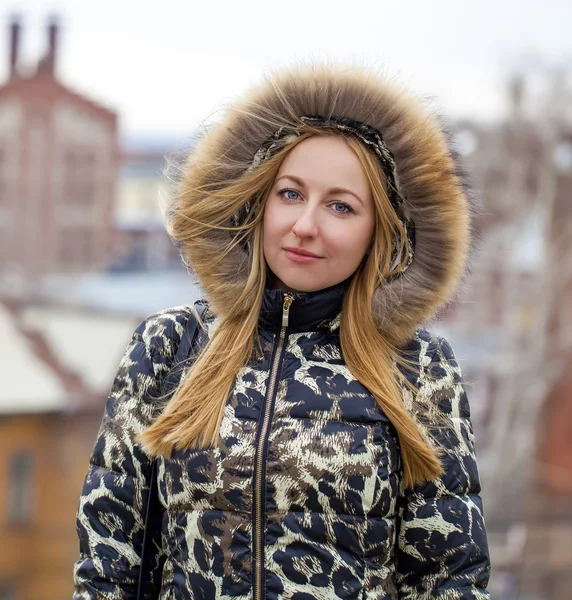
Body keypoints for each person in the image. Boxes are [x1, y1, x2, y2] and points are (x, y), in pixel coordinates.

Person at [73, 62, 490, 599]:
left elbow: (449, 579)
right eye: (290, 193)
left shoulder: (418, 369)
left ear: (380, 232)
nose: (305, 225)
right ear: (258, 199)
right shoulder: (169, 346)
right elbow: (109, 563)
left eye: (341, 206)